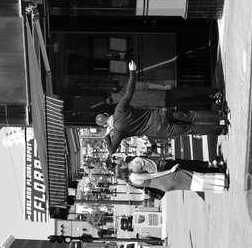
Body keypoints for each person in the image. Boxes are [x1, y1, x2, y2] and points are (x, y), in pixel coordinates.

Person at [95, 61, 228, 153]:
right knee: (190, 114)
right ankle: (220, 115)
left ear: (105, 126)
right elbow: (131, 89)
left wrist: (107, 136)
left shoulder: (119, 131)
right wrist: (133, 72)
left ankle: (221, 129)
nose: (112, 101)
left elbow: (111, 150)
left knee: (190, 128)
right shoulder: (119, 109)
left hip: (160, 126)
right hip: (160, 112)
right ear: (106, 114)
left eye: (110, 99)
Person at [124, 156, 227, 195]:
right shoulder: (133, 175)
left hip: (164, 182)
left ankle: (219, 181)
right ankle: (218, 175)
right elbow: (152, 176)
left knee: (194, 181)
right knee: (193, 175)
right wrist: (170, 171)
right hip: (165, 178)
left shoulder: (131, 179)